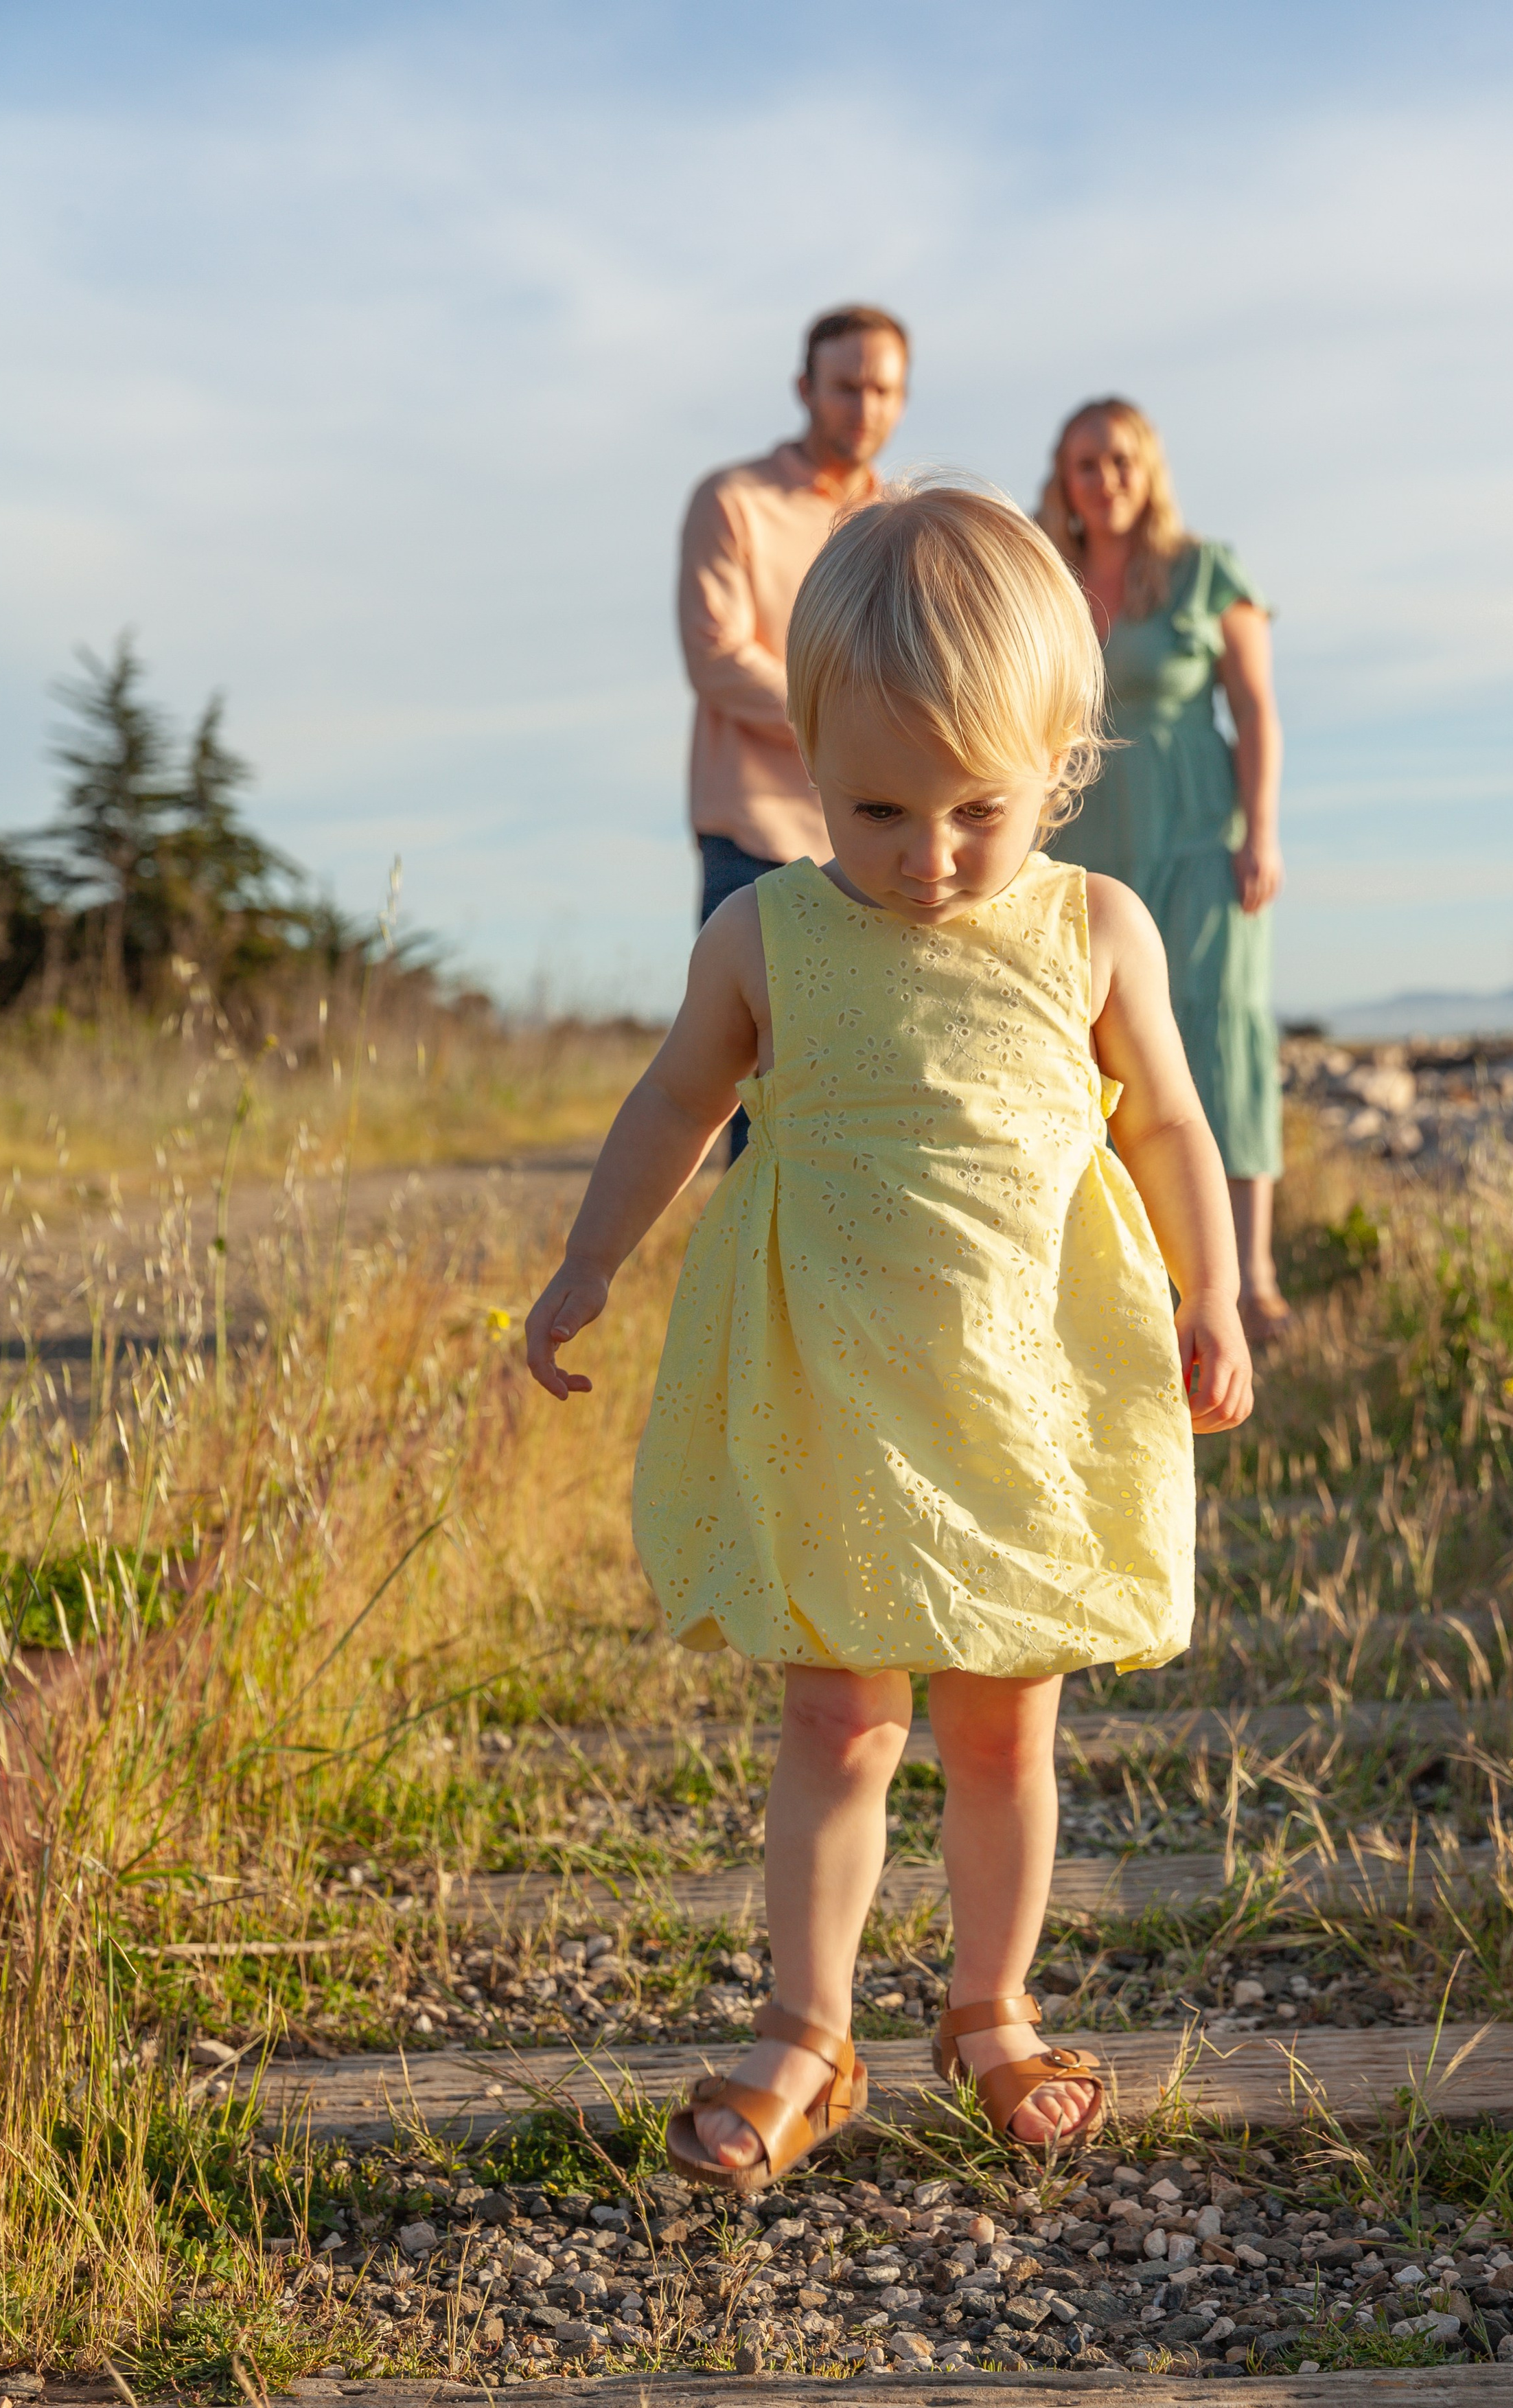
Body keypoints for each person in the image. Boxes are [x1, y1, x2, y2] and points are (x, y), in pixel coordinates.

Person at [527, 481, 1252, 2192]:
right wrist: (585, 1261)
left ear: (1058, 765)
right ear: (802, 752)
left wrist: (1210, 1289)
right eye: (876, 810)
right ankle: (805, 2020)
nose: (924, 856)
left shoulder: (1090, 929)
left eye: (973, 813)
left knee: (1006, 1724)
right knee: (837, 1718)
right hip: (833, 1394)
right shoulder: (767, 928)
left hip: (1021, 1390)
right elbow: (672, 1102)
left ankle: (989, 2008)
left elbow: (1167, 1127)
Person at [1039, 398, 1291, 1341]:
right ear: (1062, 479)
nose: (1103, 479)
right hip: (1082, 845)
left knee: (1221, 1036)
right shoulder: (1047, 580)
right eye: (1084, 463)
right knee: (1098, 1049)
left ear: (1148, 470)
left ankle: (1250, 1275)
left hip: (1197, 838)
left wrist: (1261, 831)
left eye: (1119, 460)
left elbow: (1257, 706)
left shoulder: (1204, 571)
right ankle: (1128, 1267)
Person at [679, 305, 910, 1153]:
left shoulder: (908, 519)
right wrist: (856, 723)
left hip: (885, 838)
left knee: (867, 1087)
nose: (865, 406)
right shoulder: (733, 502)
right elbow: (715, 656)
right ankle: (754, 1284)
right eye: (846, 385)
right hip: (757, 833)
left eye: (883, 389)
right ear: (805, 389)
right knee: (757, 1100)